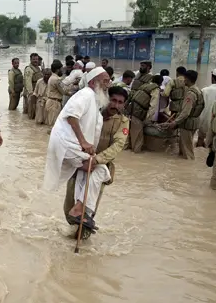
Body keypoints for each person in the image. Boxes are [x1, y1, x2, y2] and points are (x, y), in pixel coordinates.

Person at [42, 67, 111, 232]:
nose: (108, 84)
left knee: (87, 170)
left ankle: (79, 209)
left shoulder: (94, 99)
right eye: (105, 81)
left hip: (71, 146)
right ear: (94, 82)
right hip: (67, 145)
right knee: (101, 170)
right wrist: (84, 143)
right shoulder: (86, 94)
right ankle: (79, 209)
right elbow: (72, 116)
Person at [63, 86, 129, 234]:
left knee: (88, 209)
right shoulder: (90, 113)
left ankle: (83, 237)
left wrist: (96, 160)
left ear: (124, 104)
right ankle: (70, 234)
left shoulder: (123, 122)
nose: (115, 105)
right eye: (113, 100)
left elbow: (117, 146)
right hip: (78, 165)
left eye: (120, 102)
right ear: (106, 99)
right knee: (69, 205)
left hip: (98, 167)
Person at [161, 70, 204, 160]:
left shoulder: (190, 94)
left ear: (187, 79)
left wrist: (175, 122)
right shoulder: (198, 90)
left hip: (188, 124)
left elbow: (186, 112)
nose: (183, 81)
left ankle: (189, 169)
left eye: (184, 79)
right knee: (183, 147)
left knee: (187, 151)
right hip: (194, 122)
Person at [125, 74, 162, 153]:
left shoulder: (144, 85)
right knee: (138, 139)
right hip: (138, 113)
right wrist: (147, 120)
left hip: (130, 110)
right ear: (160, 83)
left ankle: (126, 155)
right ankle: (135, 157)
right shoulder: (155, 89)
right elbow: (153, 106)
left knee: (128, 136)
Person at [197, 68, 216, 147]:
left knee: (200, 139)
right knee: (214, 142)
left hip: (204, 119)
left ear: (212, 77)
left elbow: (199, 105)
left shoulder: (204, 90)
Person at [45, 61, 65, 127]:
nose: (62, 71)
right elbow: (63, 91)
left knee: (51, 124)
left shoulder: (52, 78)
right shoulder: (56, 79)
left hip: (52, 102)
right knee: (53, 126)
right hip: (54, 103)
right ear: (57, 70)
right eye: (61, 69)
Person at [23, 53, 42, 118]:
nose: (35, 61)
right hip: (31, 93)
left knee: (35, 109)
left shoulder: (38, 68)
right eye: (34, 59)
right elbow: (28, 82)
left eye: (36, 59)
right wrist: (31, 93)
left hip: (37, 92)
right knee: (31, 112)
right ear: (30, 59)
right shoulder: (29, 69)